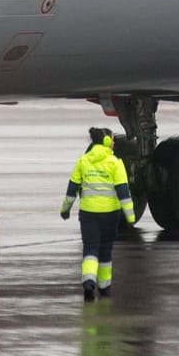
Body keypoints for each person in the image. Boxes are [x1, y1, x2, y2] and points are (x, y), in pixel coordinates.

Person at [60, 126, 135, 300]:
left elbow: (72, 189)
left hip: (88, 214)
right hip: (110, 215)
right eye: (113, 140)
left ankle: (88, 281)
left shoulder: (83, 161)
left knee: (90, 248)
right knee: (105, 251)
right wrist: (130, 216)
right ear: (108, 141)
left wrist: (65, 209)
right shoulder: (115, 163)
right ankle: (104, 287)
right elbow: (124, 193)